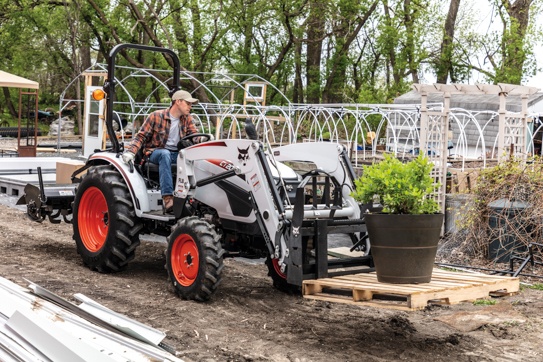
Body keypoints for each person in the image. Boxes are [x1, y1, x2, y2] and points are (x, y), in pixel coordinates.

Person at [122, 90, 200, 212]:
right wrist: (131, 152)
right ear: (178, 102)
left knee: (193, 157)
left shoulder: (187, 119)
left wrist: (203, 140)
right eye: (188, 103)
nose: (190, 106)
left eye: (191, 104)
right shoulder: (156, 116)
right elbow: (140, 136)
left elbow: (194, 135)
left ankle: (195, 197)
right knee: (165, 154)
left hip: (176, 154)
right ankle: (168, 199)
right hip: (155, 153)